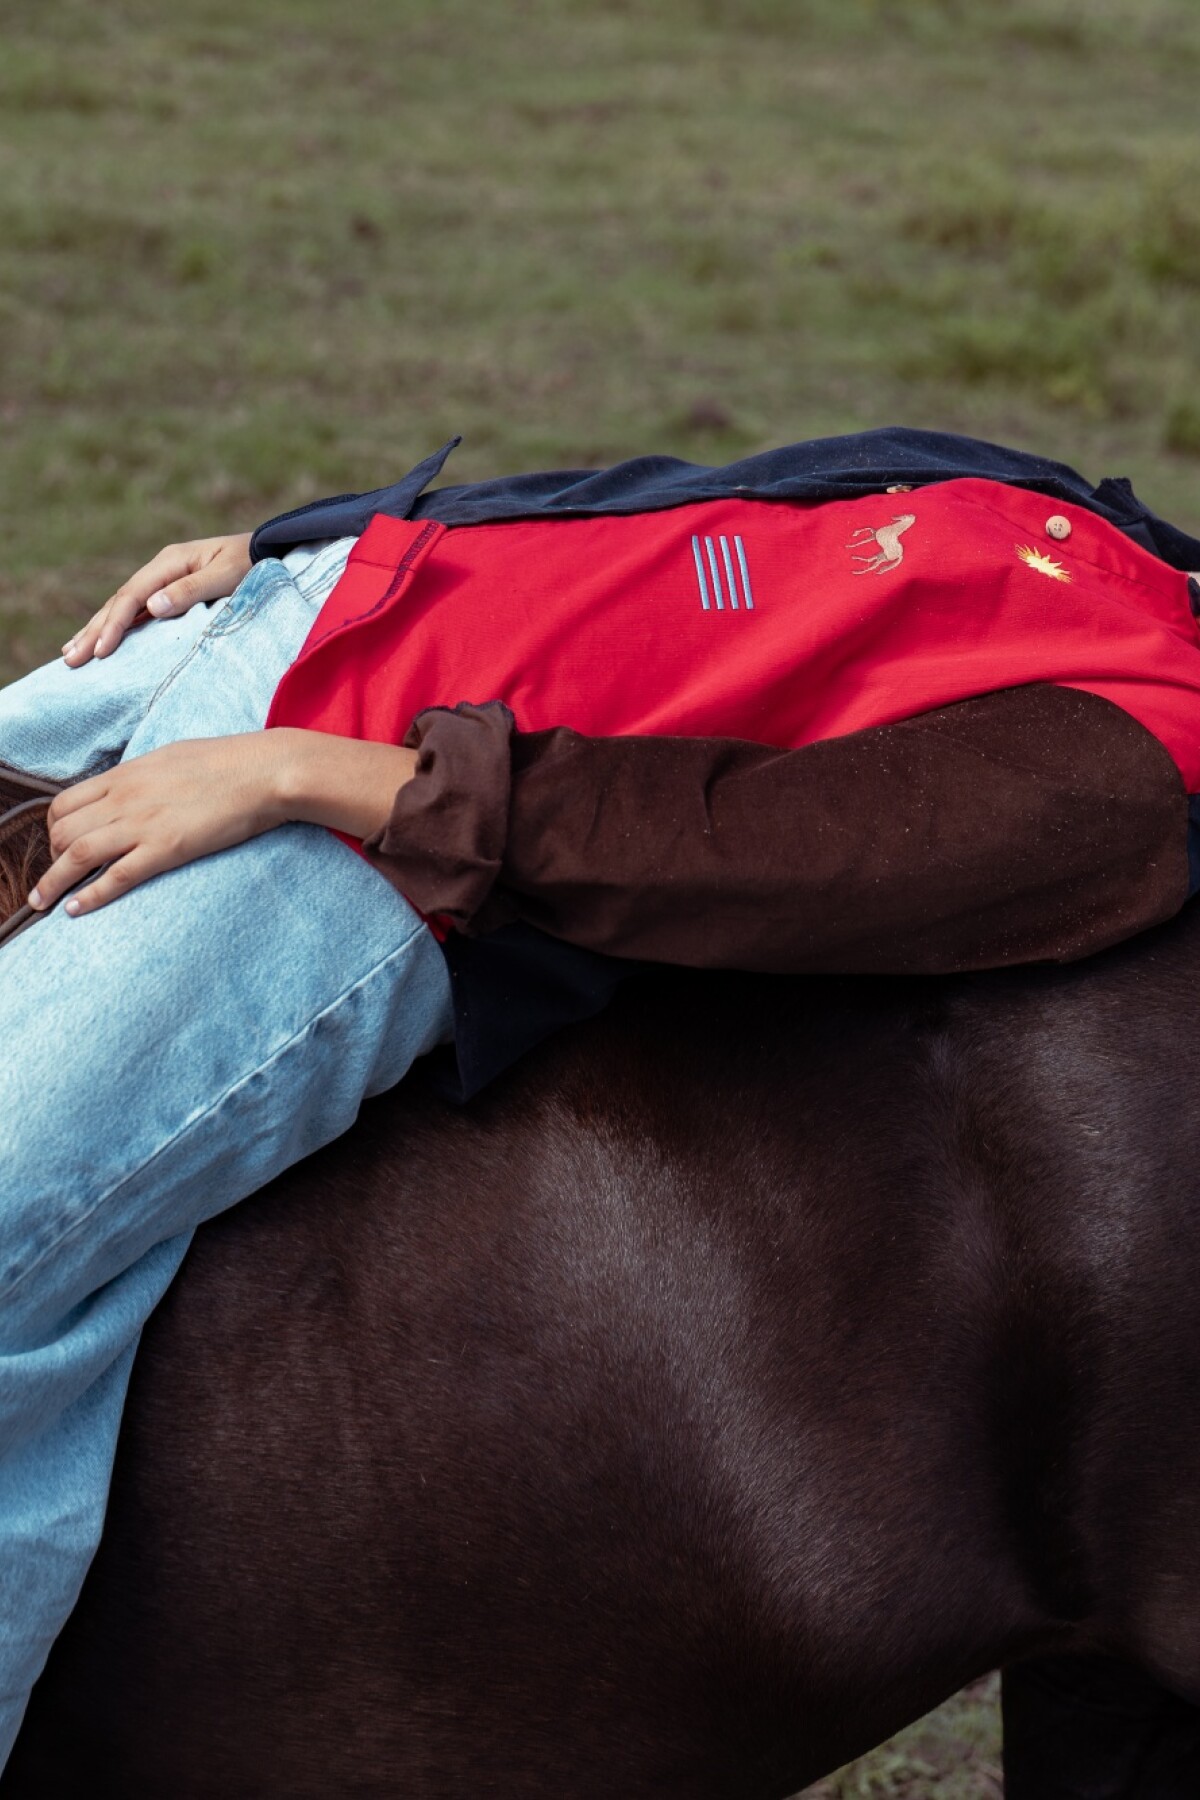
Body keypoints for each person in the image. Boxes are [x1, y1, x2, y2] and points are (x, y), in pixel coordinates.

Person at [1, 423, 1200, 1764]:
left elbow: (735, 848)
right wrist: (302, 544)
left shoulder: (1130, 772)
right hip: (296, 622)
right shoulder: (1100, 534)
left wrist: (303, 772)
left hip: (353, 833)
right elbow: (662, 523)